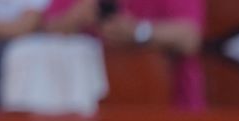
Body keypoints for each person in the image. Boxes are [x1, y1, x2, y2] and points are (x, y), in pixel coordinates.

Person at [40, 0, 202, 110]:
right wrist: (75, 17)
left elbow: (190, 38)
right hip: (89, 113)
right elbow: (46, 29)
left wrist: (138, 32)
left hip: (170, 111)